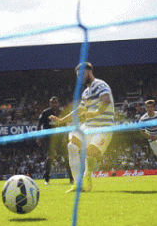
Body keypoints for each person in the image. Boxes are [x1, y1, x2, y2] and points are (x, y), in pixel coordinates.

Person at [49, 62, 115, 193]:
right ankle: (77, 184)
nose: (80, 77)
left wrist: (95, 112)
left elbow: (106, 100)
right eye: (78, 75)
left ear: (89, 72)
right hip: (88, 127)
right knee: (71, 146)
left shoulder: (100, 85)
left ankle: (87, 175)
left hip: (103, 128)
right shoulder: (86, 93)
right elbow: (80, 110)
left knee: (90, 154)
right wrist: (62, 120)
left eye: (82, 74)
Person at [37, 96, 71, 185]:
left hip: (60, 139)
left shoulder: (61, 112)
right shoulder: (45, 113)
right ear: (50, 103)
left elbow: (65, 126)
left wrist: (66, 138)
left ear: (58, 103)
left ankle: (71, 178)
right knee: (50, 158)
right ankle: (47, 179)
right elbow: (39, 124)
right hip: (49, 140)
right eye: (52, 102)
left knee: (67, 158)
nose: (54, 104)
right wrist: (38, 136)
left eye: (55, 102)